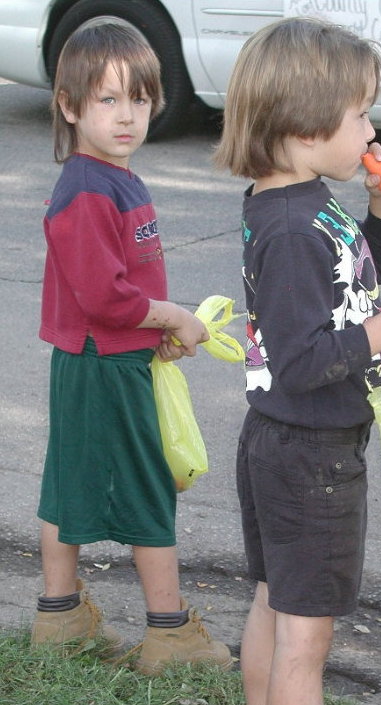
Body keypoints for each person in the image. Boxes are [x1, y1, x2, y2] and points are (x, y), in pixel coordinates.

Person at [214, 16, 381, 705]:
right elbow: (303, 359)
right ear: (307, 126)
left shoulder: (301, 203)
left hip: (286, 442)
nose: (371, 133)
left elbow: (355, 284)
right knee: (305, 636)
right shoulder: (290, 229)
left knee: (276, 600)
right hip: (310, 453)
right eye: (360, 115)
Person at [31, 18, 232, 675]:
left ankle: (58, 618)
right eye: (107, 99)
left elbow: (120, 294)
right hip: (103, 362)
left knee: (71, 481)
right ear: (68, 105)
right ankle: (169, 634)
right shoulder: (87, 189)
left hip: (104, 357)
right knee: (146, 485)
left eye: (139, 99)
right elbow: (106, 297)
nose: (127, 116)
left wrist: (159, 332)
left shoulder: (112, 177)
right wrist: (172, 316)